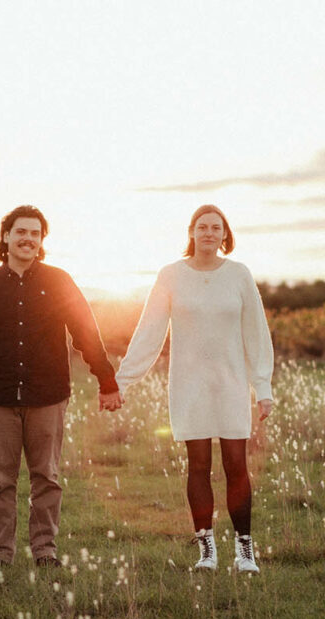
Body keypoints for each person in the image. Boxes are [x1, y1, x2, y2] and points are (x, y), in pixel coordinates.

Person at [0, 205, 123, 567]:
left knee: (46, 477)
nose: (28, 239)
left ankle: (45, 550)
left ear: (41, 240)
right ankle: (1, 553)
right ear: (6, 237)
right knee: (1, 481)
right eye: (21, 232)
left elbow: (85, 333)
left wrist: (106, 380)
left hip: (47, 397)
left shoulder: (59, 281)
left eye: (35, 233)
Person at [115, 205, 274, 573]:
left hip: (231, 383)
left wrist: (262, 386)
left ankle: (244, 550)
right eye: (201, 226)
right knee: (198, 465)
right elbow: (150, 330)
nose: (208, 232)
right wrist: (123, 379)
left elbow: (256, 332)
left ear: (224, 235)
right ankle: (207, 550)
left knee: (237, 465)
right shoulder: (170, 276)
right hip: (189, 384)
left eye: (215, 227)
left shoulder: (239, 275)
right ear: (191, 232)